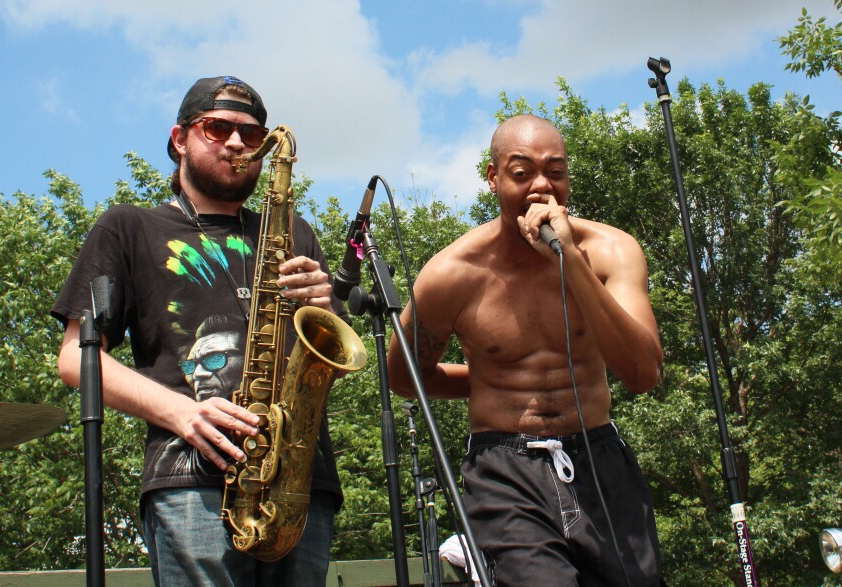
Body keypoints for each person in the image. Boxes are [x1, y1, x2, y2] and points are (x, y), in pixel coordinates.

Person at [54, 75, 346, 587]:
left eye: (252, 136)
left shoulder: (296, 232)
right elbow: (76, 360)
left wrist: (325, 306)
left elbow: (327, 363)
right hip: (191, 479)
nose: (237, 143)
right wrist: (184, 413)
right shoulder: (128, 226)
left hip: (299, 482)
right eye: (218, 129)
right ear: (179, 139)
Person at [386, 114, 665, 586]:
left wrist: (569, 262)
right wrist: (493, 385)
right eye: (522, 172)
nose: (542, 186)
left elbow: (642, 373)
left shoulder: (612, 251)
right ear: (493, 178)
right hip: (505, 469)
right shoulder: (452, 273)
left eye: (555, 172)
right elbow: (404, 376)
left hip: (599, 458)